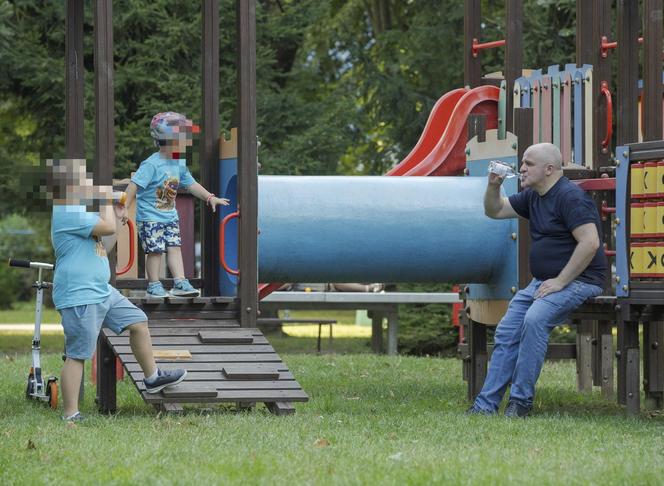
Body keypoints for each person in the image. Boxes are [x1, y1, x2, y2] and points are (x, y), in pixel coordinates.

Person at [467, 143, 607, 418]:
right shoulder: (533, 196)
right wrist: (493, 186)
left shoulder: (570, 197)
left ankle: (520, 403)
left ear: (549, 169)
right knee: (507, 330)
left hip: (580, 280)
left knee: (534, 320)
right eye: (522, 163)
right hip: (543, 282)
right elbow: (494, 211)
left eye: (528, 164)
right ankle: (485, 407)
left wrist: (560, 281)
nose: (521, 168)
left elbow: (590, 243)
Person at [50, 159, 187, 421]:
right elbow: (108, 226)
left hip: (101, 290)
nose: (87, 183)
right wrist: (105, 201)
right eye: (82, 179)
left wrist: (119, 215)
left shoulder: (83, 211)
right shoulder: (67, 210)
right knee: (78, 354)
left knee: (138, 322)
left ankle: (152, 377)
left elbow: (106, 243)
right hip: (80, 292)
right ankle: (71, 414)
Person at [120, 112, 229, 297]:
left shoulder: (178, 163)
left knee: (174, 247)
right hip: (150, 217)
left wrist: (210, 197)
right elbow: (133, 187)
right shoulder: (151, 164)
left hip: (170, 216)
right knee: (154, 251)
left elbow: (191, 184)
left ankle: (180, 282)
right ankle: (153, 285)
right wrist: (123, 207)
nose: (186, 142)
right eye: (182, 138)